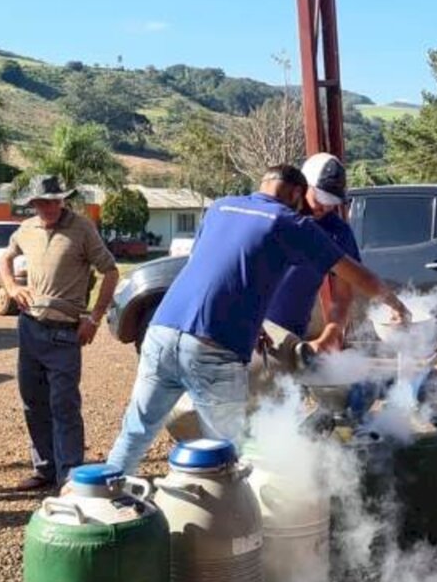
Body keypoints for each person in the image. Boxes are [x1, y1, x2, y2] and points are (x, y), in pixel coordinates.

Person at [107, 164, 410, 475]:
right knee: (227, 453)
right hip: (211, 347)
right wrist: (396, 306)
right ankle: (237, 521)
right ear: (296, 193)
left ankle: (106, 499)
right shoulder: (289, 222)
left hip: (161, 331)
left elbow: (216, 271)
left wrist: (253, 324)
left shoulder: (221, 207)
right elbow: (356, 275)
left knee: (137, 430)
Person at [0, 175, 119, 490]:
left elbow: (110, 270)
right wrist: (11, 286)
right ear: (34, 204)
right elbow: (5, 257)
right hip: (30, 328)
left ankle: (69, 476)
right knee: (32, 401)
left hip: (65, 332)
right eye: (42, 202)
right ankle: (45, 468)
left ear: (62, 200)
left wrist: (93, 318)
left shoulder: (82, 228)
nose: (48, 206)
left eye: (54, 200)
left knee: (64, 404)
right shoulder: (27, 229)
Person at [265, 152, 359, 352]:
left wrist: (330, 335)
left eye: (331, 202)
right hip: (250, 328)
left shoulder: (338, 232)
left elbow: (343, 295)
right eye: (319, 197)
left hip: (290, 335)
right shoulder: (272, 216)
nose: (324, 207)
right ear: (301, 189)